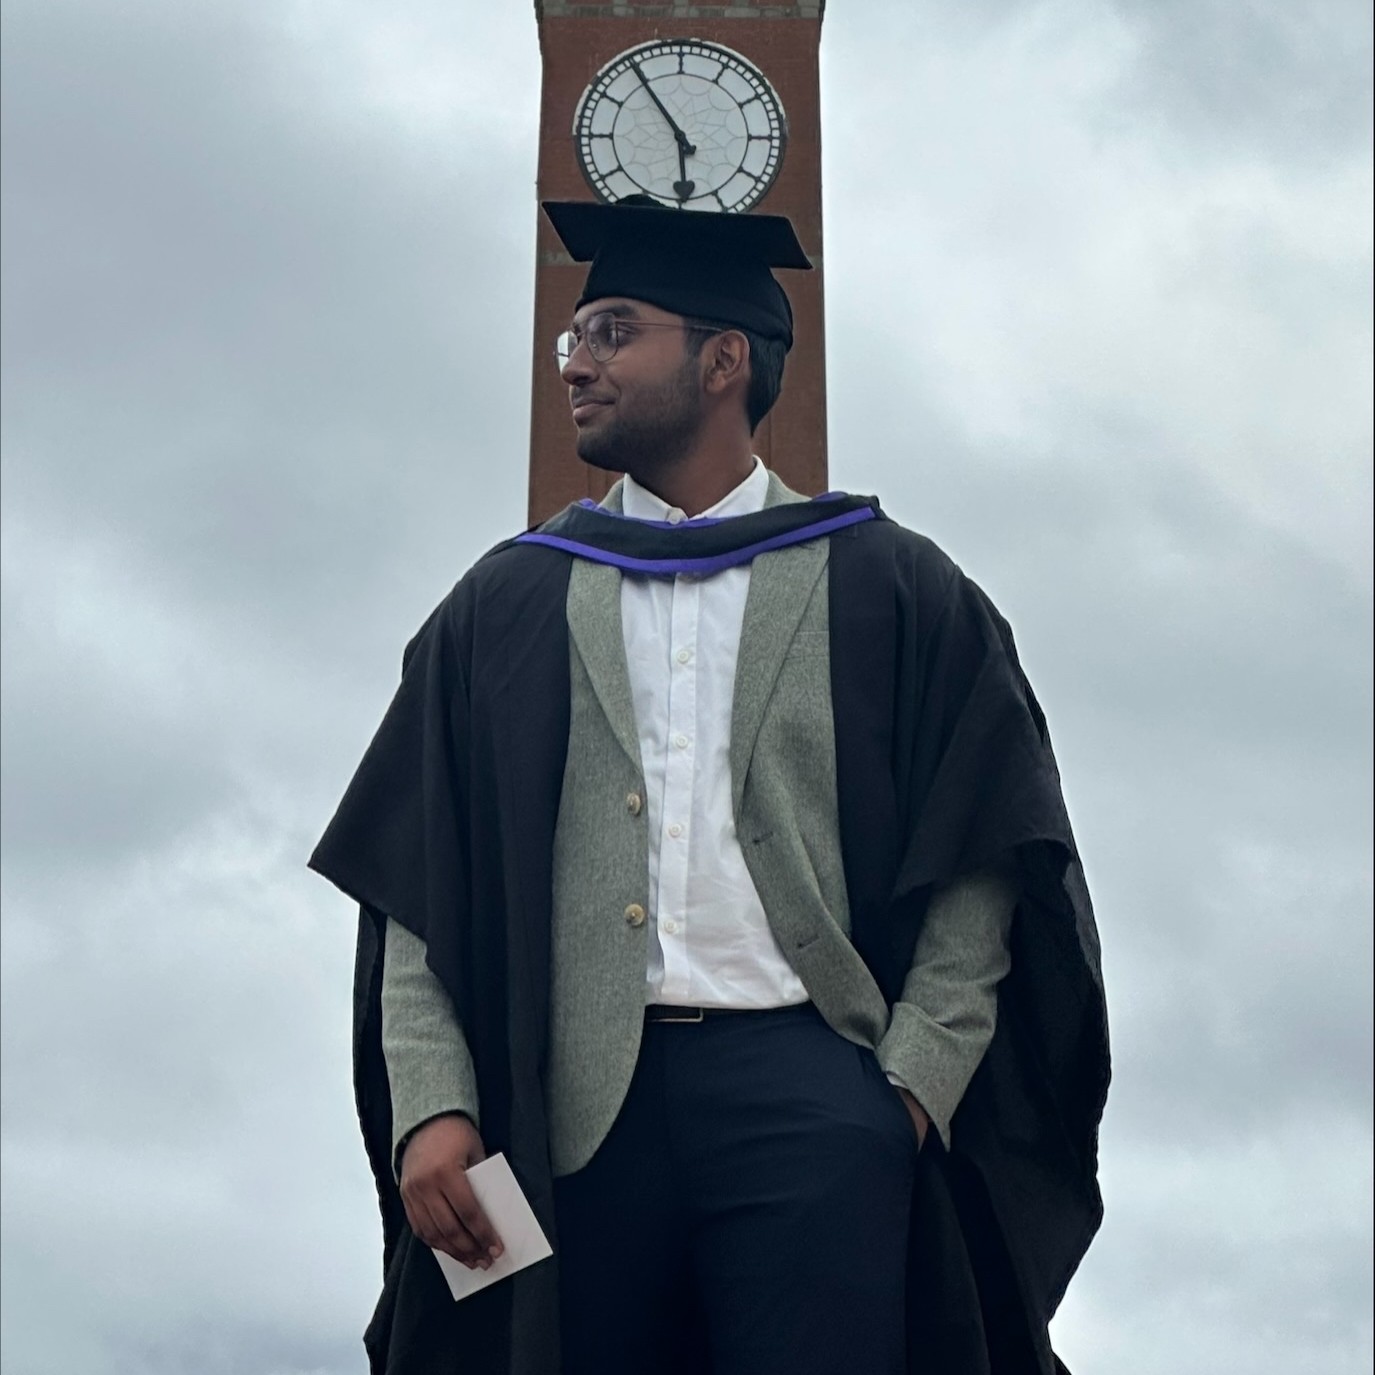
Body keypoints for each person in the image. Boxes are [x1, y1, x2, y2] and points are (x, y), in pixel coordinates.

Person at [310, 195, 1109, 1375]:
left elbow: (988, 850)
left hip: (813, 1096)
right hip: (568, 1115)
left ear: (722, 360)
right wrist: (430, 1101)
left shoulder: (890, 586)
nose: (577, 364)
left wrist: (909, 1089)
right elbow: (417, 877)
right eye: (573, 338)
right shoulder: (509, 603)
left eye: (614, 332)